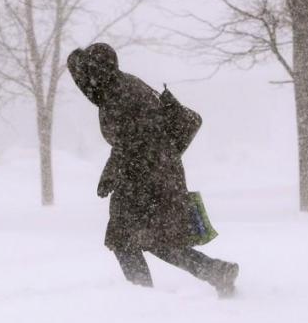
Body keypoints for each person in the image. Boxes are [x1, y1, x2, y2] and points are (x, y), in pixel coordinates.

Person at [67, 42, 240, 298]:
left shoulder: (119, 94)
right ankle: (215, 271)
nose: (87, 81)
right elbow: (138, 137)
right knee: (158, 241)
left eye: (91, 73)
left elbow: (132, 139)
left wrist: (110, 174)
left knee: (124, 238)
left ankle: (142, 299)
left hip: (145, 176)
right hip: (157, 172)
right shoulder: (123, 86)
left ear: (100, 71)